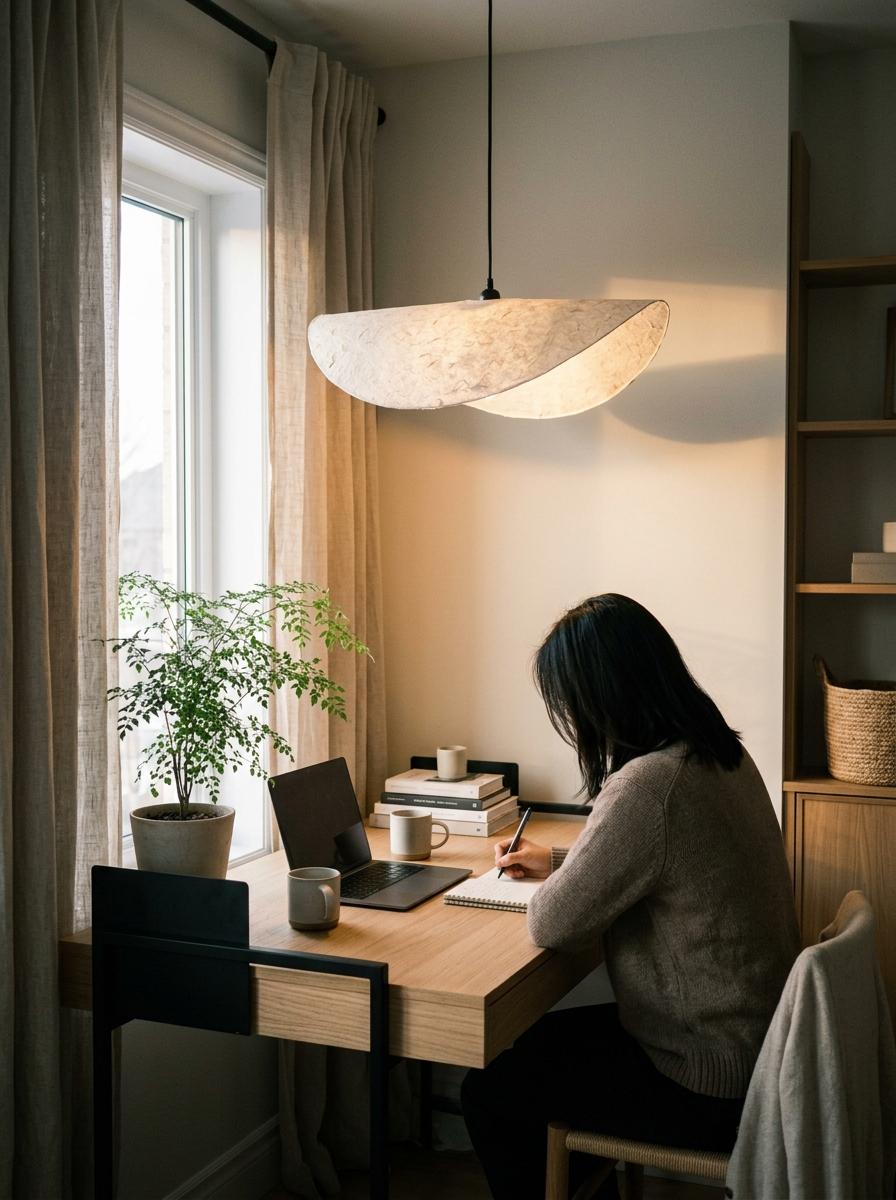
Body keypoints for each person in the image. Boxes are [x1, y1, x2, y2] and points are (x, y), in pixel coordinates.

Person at [460, 594, 800, 1199]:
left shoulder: (649, 785)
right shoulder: (717, 752)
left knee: (490, 1091)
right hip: (756, 1050)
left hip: (700, 1077)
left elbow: (552, 924)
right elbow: (677, 869)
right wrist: (560, 859)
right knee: (533, 1054)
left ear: (603, 698)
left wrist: (561, 877)